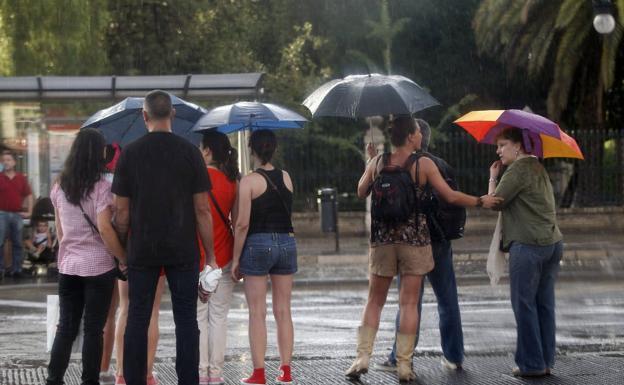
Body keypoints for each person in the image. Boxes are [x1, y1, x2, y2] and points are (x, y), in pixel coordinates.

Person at [347, 116, 501, 382]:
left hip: (383, 241)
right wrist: (480, 201)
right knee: (409, 304)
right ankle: (405, 365)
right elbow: (450, 197)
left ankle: (362, 357)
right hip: (414, 241)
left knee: (374, 301)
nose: (421, 134)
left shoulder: (378, 162)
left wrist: (370, 162)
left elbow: (361, 191)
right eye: (418, 131)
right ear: (410, 137)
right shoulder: (424, 164)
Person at [112, 90, 216, 385]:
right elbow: (202, 209)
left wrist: (121, 249)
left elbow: (121, 213)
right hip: (183, 249)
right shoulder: (190, 153)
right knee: (186, 321)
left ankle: (133, 380)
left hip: (142, 248)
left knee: (137, 317)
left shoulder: (130, 154)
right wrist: (210, 256)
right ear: (172, 114)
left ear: (144, 116)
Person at [375, 118, 465, 372]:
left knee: (409, 302)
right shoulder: (442, 165)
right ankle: (454, 355)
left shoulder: (403, 165)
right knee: (447, 300)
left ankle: (400, 357)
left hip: (414, 242)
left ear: (415, 137)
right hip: (441, 240)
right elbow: (453, 201)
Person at [45, 128, 127, 385]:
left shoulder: (59, 186)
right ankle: (89, 381)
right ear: (97, 153)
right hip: (98, 268)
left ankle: (53, 379)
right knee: (94, 329)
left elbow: (59, 230)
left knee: (66, 328)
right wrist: (122, 257)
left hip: (68, 266)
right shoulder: (102, 188)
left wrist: (69, 249)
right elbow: (104, 228)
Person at [487, 127, 563, 377]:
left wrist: (492, 177)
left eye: (502, 144)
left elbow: (494, 202)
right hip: (552, 243)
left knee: (524, 305)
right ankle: (545, 360)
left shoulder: (519, 169)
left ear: (518, 146)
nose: (498, 150)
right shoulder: (537, 167)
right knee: (544, 304)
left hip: (528, 245)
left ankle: (531, 364)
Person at [231, 129, 297, 385]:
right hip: (287, 243)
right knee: (284, 310)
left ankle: (259, 374)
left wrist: (236, 259)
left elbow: (242, 224)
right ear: (274, 149)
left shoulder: (248, 182)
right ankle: (286, 370)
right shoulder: (287, 177)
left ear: (252, 150)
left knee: (257, 312)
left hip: (258, 244)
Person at [99, 143, 165, 385]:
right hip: (156, 249)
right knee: (153, 311)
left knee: (125, 308)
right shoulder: (159, 184)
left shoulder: (120, 185)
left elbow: (119, 219)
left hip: (130, 249)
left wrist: (122, 252)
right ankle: (147, 374)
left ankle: (121, 374)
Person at [196, 130, 239, 385]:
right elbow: (236, 220)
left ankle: (201, 374)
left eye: (201, 148)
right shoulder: (233, 181)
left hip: (199, 257)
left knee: (199, 317)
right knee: (219, 317)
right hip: (225, 256)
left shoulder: (195, 180)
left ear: (208, 151)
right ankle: (216, 374)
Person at [0, 150, 33, 278]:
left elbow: (29, 195)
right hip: (1, 214)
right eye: (4, 160)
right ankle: (1, 269)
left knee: (18, 243)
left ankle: (17, 269)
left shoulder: (21, 178)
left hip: (17, 214)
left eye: (8, 160)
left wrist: (30, 211)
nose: (5, 162)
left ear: (14, 162)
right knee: (0, 242)